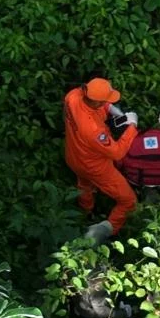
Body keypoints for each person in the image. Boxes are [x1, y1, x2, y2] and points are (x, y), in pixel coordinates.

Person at [63, 78, 140, 245]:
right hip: (95, 166)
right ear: (97, 102)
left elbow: (96, 106)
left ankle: (85, 212)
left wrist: (112, 110)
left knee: (85, 185)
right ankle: (106, 229)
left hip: (74, 156)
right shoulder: (93, 130)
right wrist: (132, 126)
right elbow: (117, 152)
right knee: (129, 201)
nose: (107, 103)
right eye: (105, 101)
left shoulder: (72, 96)